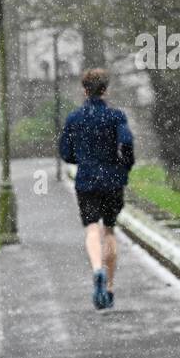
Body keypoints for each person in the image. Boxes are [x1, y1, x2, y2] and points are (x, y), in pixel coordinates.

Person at [58, 68, 135, 310]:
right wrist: (124, 165)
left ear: (84, 90)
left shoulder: (74, 118)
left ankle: (97, 269)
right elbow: (127, 143)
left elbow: (65, 151)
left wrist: (79, 159)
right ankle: (109, 288)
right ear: (106, 89)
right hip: (112, 179)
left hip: (87, 179)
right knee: (109, 230)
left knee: (92, 228)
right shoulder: (116, 116)